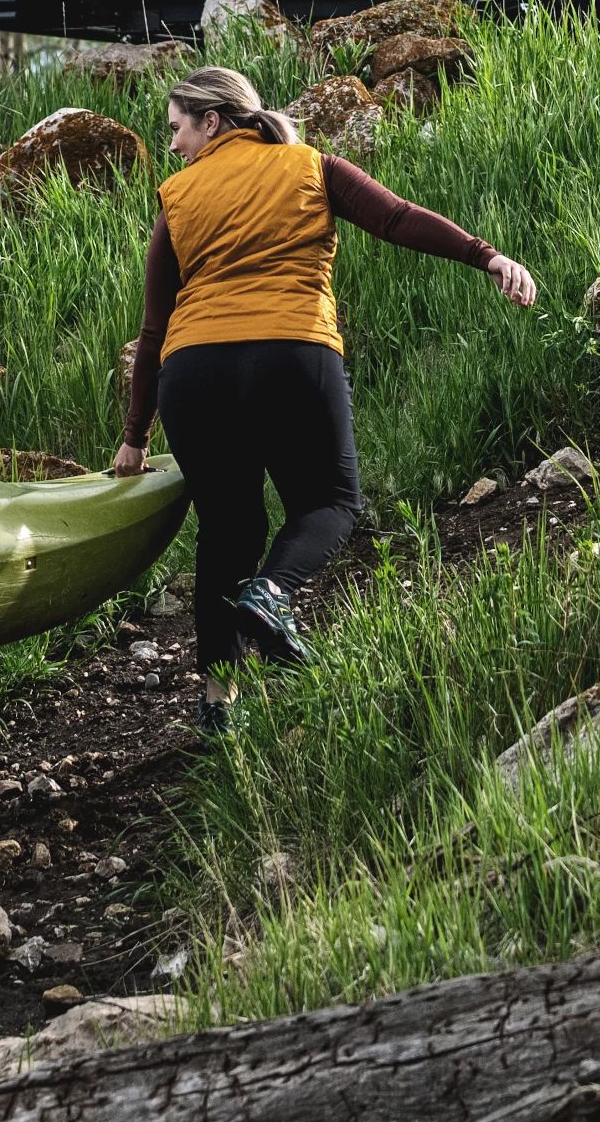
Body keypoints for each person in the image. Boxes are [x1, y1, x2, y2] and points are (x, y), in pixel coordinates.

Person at [108, 63, 533, 711]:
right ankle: (272, 595)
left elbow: (154, 325)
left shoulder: (177, 197)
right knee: (332, 501)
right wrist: (487, 255)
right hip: (291, 352)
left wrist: (134, 438)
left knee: (227, 529)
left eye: (176, 128)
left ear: (212, 120)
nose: (172, 144)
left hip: (193, 374)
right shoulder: (311, 166)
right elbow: (397, 218)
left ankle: (220, 701)